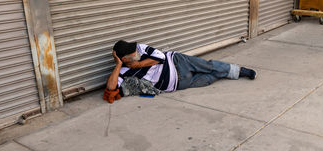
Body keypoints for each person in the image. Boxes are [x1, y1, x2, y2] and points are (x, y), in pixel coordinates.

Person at [103, 40, 256, 103]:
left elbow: (161, 56)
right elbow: (111, 88)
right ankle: (227, 73)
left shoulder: (139, 49)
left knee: (208, 66)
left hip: (176, 61)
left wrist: (139, 64)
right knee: (208, 79)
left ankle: (239, 71)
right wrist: (118, 65)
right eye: (132, 55)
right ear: (124, 59)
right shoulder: (122, 71)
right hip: (177, 83)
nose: (136, 52)